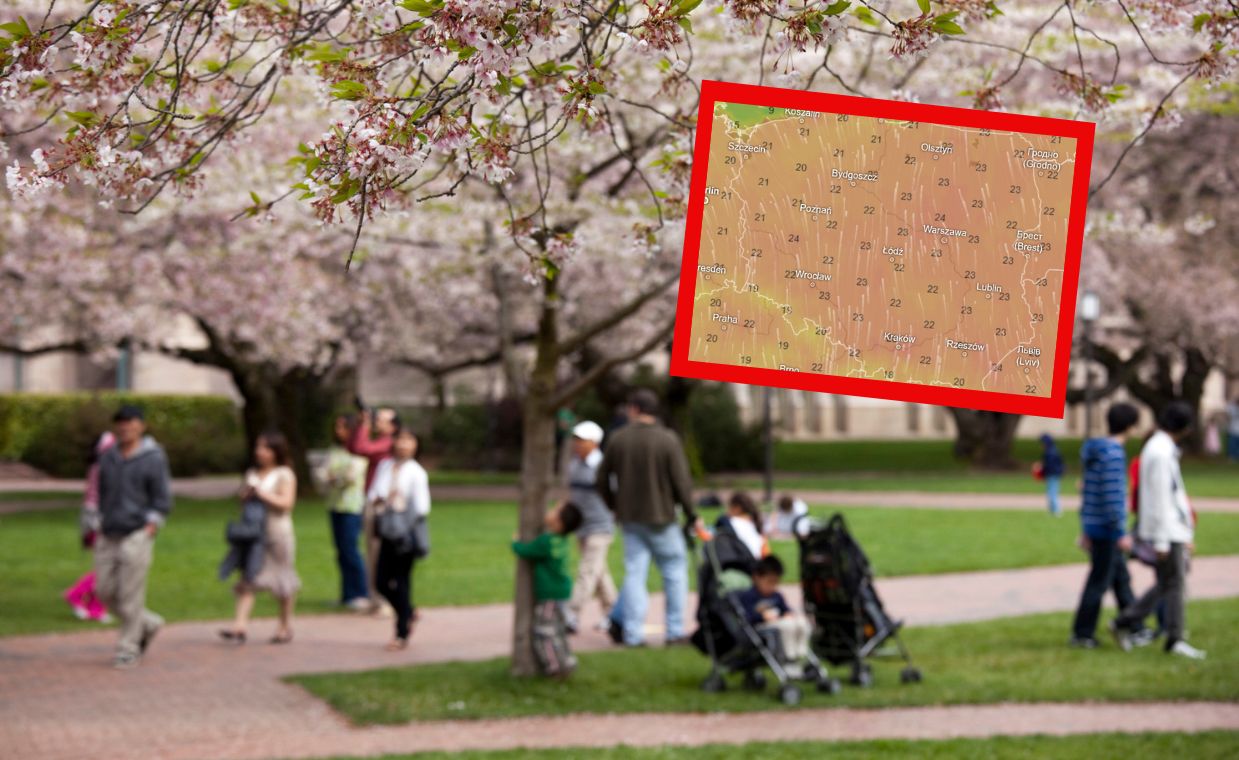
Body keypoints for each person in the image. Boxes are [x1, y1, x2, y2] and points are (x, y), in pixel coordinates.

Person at [596, 388, 702, 647]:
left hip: (631, 517)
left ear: (634, 409)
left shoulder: (618, 439)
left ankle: (633, 634)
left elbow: (600, 479)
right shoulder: (667, 440)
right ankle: (674, 631)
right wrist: (691, 514)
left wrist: (615, 505)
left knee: (635, 574)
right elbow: (681, 482)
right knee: (674, 572)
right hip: (662, 517)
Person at [1111, 402, 1206, 660]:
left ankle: (1145, 627)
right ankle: (1166, 634)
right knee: (1173, 582)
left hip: (1170, 529)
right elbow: (1160, 498)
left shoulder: (1159, 448)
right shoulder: (1161, 452)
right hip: (1168, 530)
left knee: (1169, 583)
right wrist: (1163, 540)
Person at [95, 404, 173, 669]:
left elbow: (162, 497)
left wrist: (151, 525)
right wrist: (96, 521)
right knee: (103, 591)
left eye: (130, 422)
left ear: (141, 425)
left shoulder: (153, 457)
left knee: (130, 595)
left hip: (137, 532)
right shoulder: (108, 457)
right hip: (109, 532)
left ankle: (128, 648)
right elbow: (102, 493)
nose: (125, 427)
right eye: (120, 422)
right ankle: (148, 624)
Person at [1070, 403, 1145, 648]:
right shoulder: (1113, 454)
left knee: (1120, 579)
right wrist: (1120, 532)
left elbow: (1090, 494)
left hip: (1095, 525)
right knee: (1099, 581)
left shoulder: (1096, 452)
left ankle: (1135, 626)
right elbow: (1113, 498)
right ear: (1130, 426)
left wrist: (1085, 527)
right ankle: (1082, 634)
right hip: (1107, 529)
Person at [219, 433, 300, 645]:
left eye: (265, 448)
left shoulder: (284, 474)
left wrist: (262, 494)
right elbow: (244, 505)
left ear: (276, 451)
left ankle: (284, 625)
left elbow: (287, 504)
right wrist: (245, 496)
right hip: (254, 534)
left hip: (277, 533)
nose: (259, 452)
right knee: (248, 575)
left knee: (283, 580)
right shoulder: (252, 473)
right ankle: (239, 626)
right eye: (258, 447)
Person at [367, 427, 431, 650]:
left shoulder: (417, 472)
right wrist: (382, 500)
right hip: (387, 529)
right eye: (400, 439)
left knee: (402, 581)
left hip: (406, 533)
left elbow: (422, 508)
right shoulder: (385, 466)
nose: (403, 444)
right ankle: (408, 611)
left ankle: (401, 632)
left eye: (409, 440)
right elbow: (374, 494)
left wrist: (400, 505)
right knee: (381, 582)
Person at [512, 501, 583, 677]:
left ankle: (554, 666)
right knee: (557, 628)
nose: (550, 511)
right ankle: (566, 659)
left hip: (549, 594)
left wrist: (515, 542)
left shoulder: (546, 541)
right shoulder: (562, 540)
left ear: (559, 523)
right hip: (562, 591)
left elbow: (525, 551)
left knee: (544, 630)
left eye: (555, 511)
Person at [563, 420, 617, 635]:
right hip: (581, 527)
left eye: (581, 440)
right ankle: (614, 614)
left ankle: (571, 614)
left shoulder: (603, 467)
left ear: (594, 443)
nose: (577, 444)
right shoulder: (574, 465)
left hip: (600, 527)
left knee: (586, 571)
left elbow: (615, 495)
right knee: (598, 572)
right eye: (575, 439)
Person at [348, 405, 399, 615]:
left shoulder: (389, 443)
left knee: (381, 554)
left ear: (393, 426)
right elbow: (353, 448)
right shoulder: (381, 441)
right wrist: (362, 425)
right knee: (371, 552)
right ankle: (375, 598)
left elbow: (362, 449)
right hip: (371, 501)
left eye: (381, 420)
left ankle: (386, 601)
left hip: (383, 505)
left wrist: (365, 425)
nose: (377, 422)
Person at [318, 415, 370, 611]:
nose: (338, 431)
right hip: (335, 505)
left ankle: (360, 593)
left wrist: (333, 478)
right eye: (336, 427)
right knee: (341, 551)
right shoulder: (335, 451)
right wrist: (331, 478)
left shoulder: (358, 451)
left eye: (342, 427)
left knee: (351, 549)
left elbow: (350, 477)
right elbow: (322, 473)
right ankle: (347, 593)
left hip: (352, 506)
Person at [64, 431, 115, 624]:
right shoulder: (103, 468)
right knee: (107, 568)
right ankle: (76, 595)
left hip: (101, 521)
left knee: (106, 567)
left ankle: (96, 607)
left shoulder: (99, 467)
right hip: (100, 522)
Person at [734, 555, 811, 668]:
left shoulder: (777, 595)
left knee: (801, 622)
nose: (772, 586)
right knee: (788, 625)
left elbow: (785, 609)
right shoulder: (749, 596)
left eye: (775, 582)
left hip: (779, 622)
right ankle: (789, 657)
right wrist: (762, 616)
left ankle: (801, 651)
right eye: (769, 582)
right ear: (757, 578)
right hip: (763, 626)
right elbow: (747, 616)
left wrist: (788, 613)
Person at [721, 491, 767, 559]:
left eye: (729, 507)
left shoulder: (730, 522)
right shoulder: (755, 524)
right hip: (756, 565)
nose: (727, 511)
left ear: (737, 508)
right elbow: (765, 554)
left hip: (739, 564)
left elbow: (711, 541)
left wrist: (700, 529)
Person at [1039, 433, 1066, 516]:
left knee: (1052, 492)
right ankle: (1052, 510)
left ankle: (1057, 510)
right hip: (1053, 474)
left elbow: (1049, 466)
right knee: (1051, 492)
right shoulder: (1053, 450)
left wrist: (1042, 472)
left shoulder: (1050, 452)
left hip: (1053, 474)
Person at [1227, 395, 1239, 462]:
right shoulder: (1232, 407)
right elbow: (1228, 415)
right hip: (1233, 430)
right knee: (1232, 445)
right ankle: (1232, 457)